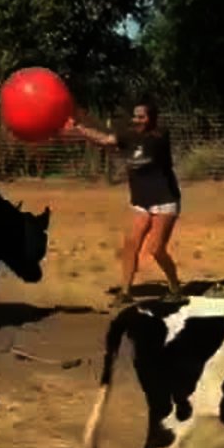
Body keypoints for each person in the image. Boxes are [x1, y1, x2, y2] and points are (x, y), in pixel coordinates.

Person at [66, 101, 183, 305]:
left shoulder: (160, 136)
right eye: (135, 116)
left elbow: (114, 139)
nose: (136, 120)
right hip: (141, 200)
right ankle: (125, 291)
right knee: (130, 244)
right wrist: (80, 126)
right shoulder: (130, 136)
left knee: (156, 249)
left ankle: (175, 288)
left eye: (142, 117)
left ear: (151, 118)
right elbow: (104, 139)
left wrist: (103, 131)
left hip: (164, 199)